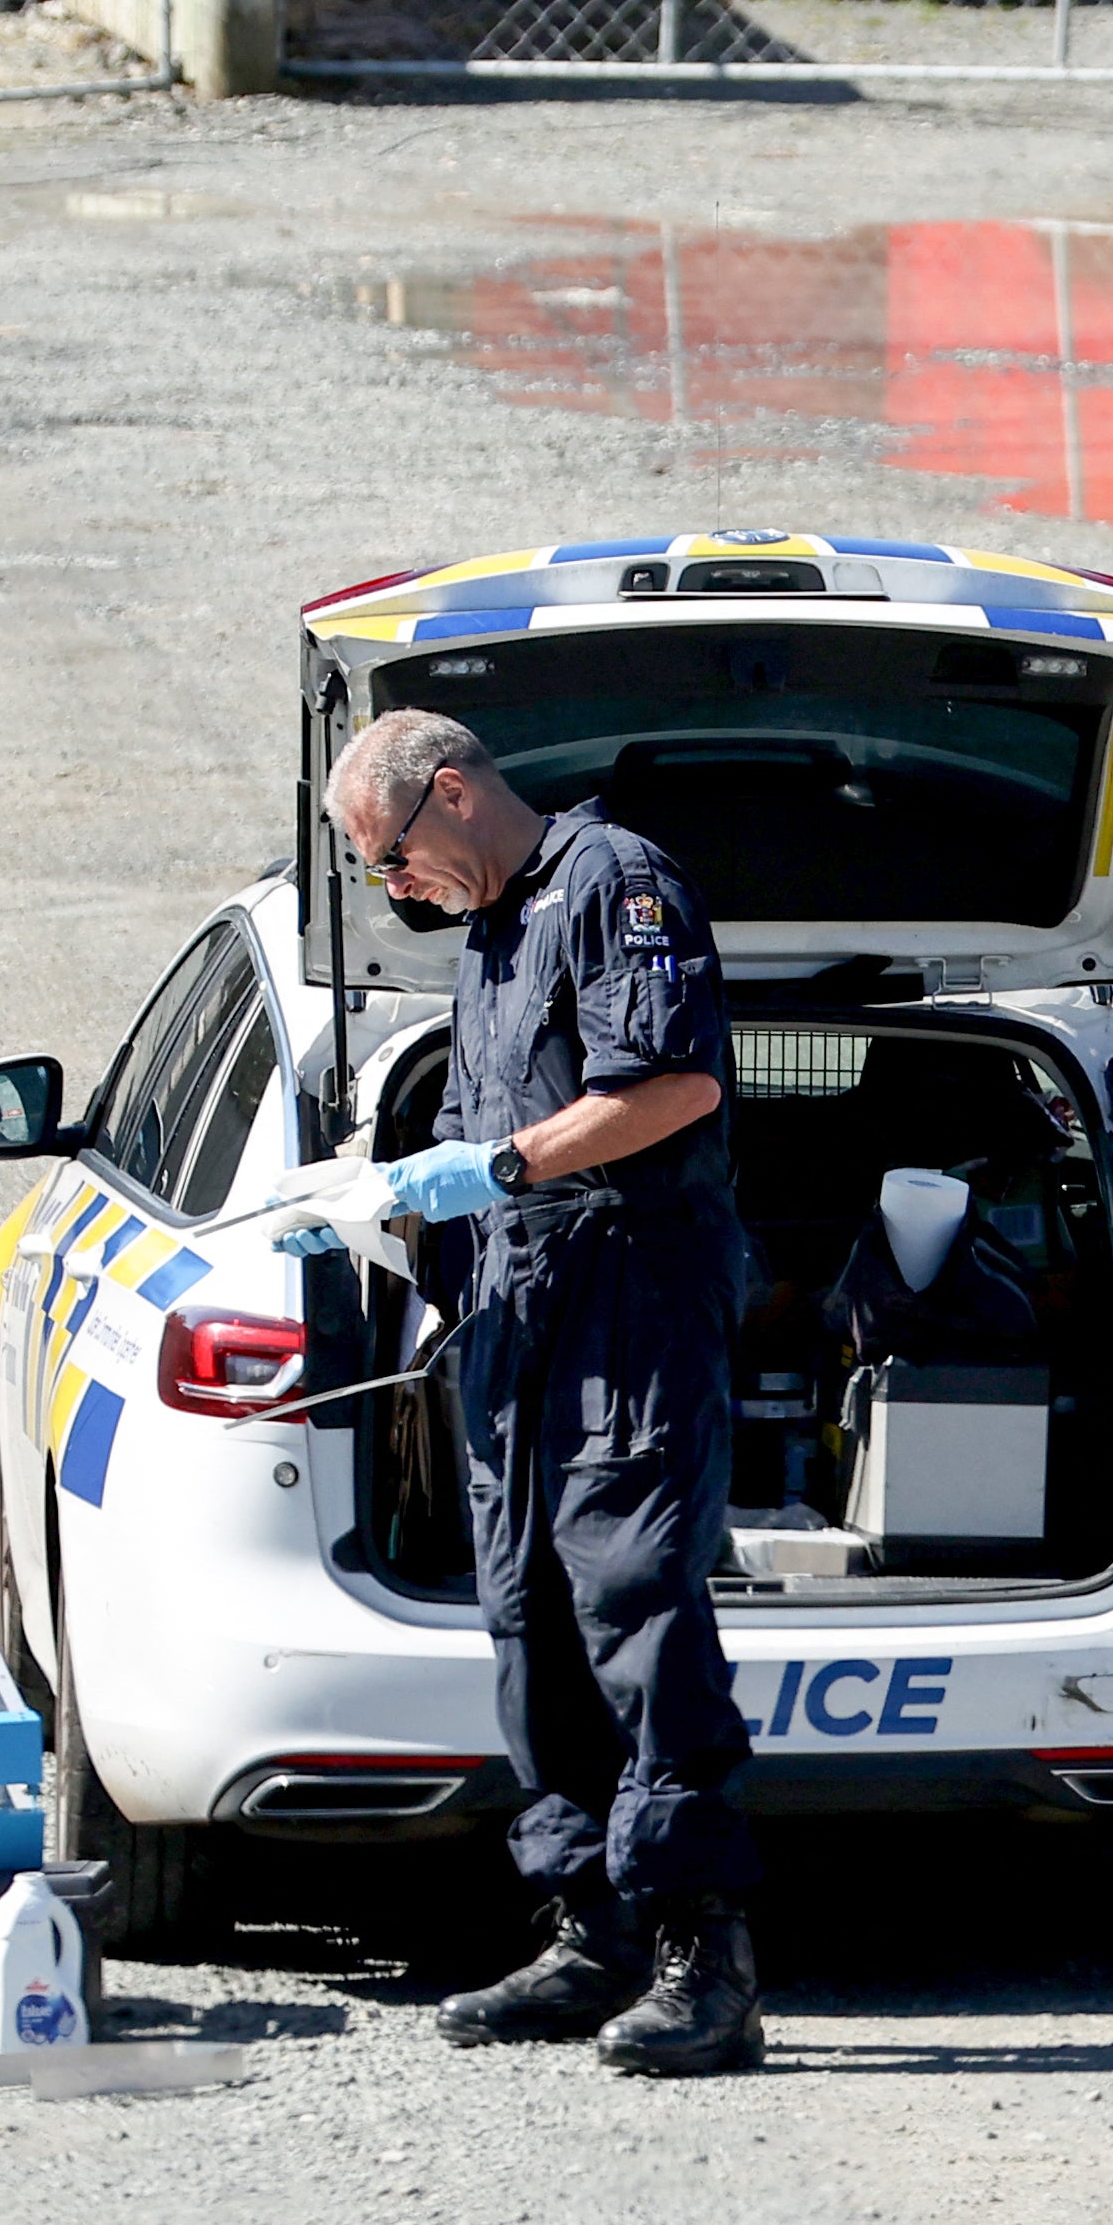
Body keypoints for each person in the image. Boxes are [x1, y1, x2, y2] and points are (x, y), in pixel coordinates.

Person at [289, 707, 764, 2077]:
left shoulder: (616, 883)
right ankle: (592, 1927)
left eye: (391, 855)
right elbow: (473, 1126)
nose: (391, 888)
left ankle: (704, 1951)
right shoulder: (495, 940)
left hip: (628, 1294)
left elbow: (670, 1085)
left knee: (633, 1595)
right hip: (517, 1311)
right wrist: (384, 1203)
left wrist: (494, 1173)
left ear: (450, 793)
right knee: (529, 1611)